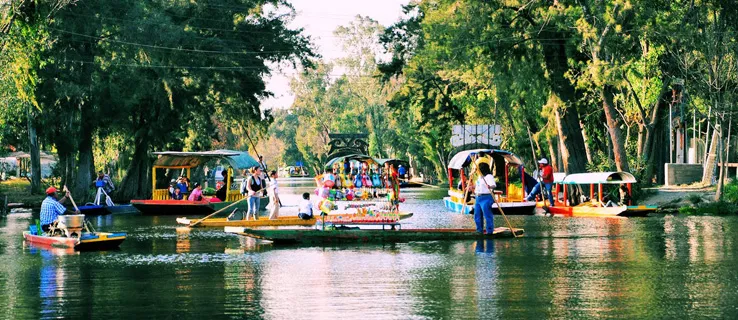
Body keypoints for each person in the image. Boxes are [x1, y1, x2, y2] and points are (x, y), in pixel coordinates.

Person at [467, 157, 496, 234]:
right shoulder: (480, 177)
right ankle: (479, 230)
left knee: (487, 215)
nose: (477, 171)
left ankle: (489, 231)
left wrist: (490, 186)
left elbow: (493, 185)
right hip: (478, 198)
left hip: (486, 197)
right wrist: (471, 187)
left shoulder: (488, 176)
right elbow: (478, 186)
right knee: (477, 215)